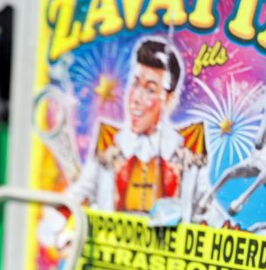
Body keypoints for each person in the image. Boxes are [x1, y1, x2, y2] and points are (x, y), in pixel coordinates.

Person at [72, 36, 222, 225]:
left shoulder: (187, 150)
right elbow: (80, 193)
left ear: (169, 99)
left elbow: (207, 210)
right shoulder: (110, 144)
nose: (135, 98)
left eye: (150, 90)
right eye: (135, 84)